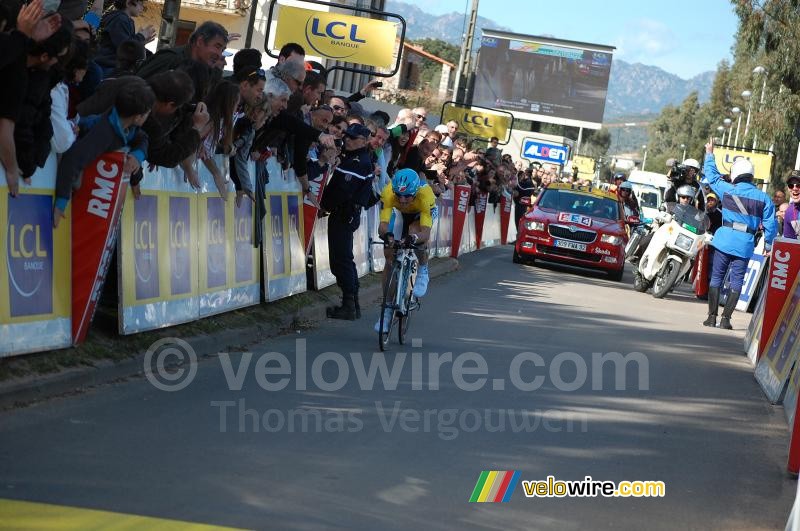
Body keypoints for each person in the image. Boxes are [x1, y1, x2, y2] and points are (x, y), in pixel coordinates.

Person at [53, 78, 154, 227]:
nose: (148, 117)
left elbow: (143, 138)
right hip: (70, 184)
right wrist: (61, 203)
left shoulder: (126, 125)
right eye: (147, 114)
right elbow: (72, 161)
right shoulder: (104, 134)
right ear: (138, 117)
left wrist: (137, 156)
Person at [702, 141, 776, 330]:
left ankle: (711, 317)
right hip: (745, 244)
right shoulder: (764, 198)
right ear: (751, 176)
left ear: (736, 174)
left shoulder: (727, 189)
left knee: (716, 278)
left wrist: (710, 154)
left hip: (725, 239)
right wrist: (768, 246)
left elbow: (711, 176)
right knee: (737, 282)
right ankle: (726, 320)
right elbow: (770, 224)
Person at [320, 123, 378, 320]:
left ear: (364, 141)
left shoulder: (357, 161)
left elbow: (342, 190)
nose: (348, 140)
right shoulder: (357, 158)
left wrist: (324, 206)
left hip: (345, 214)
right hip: (347, 213)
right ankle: (352, 302)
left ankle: (349, 304)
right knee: (343, 258)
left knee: (341, 259)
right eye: (348, 137)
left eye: (353, 138)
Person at [374, 168, 437, 332]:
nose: (402, 199)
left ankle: (423, 270)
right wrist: (387, 235)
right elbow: (383, 225)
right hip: (400, 214)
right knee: (389, 255)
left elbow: (425, 232)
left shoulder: (425, 195)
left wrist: (414, 239)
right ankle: (387, 309)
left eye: (407, 195)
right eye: (399, 195)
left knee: (414, 233)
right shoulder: (389, 193)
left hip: (419, 216)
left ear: (415, 191)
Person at [136, 21, 228, 78]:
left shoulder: (203, 70)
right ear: (200, 42)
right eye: (217, 46)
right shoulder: (169, 59)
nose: (219, 54)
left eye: (222, 50)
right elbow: (136, 89)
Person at [93, 0, 155, 74]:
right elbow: (125, 47)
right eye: (141, 4)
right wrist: (141, 36)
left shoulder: (124, 19)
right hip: (107, 66)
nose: (142, 8)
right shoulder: (120, 19)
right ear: (128, 3)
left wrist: (141, 43)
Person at [783, 171, 800, 239]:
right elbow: (788, 242)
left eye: (799, 185)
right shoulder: (790, 211)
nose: (794, 188)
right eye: (791, 185)